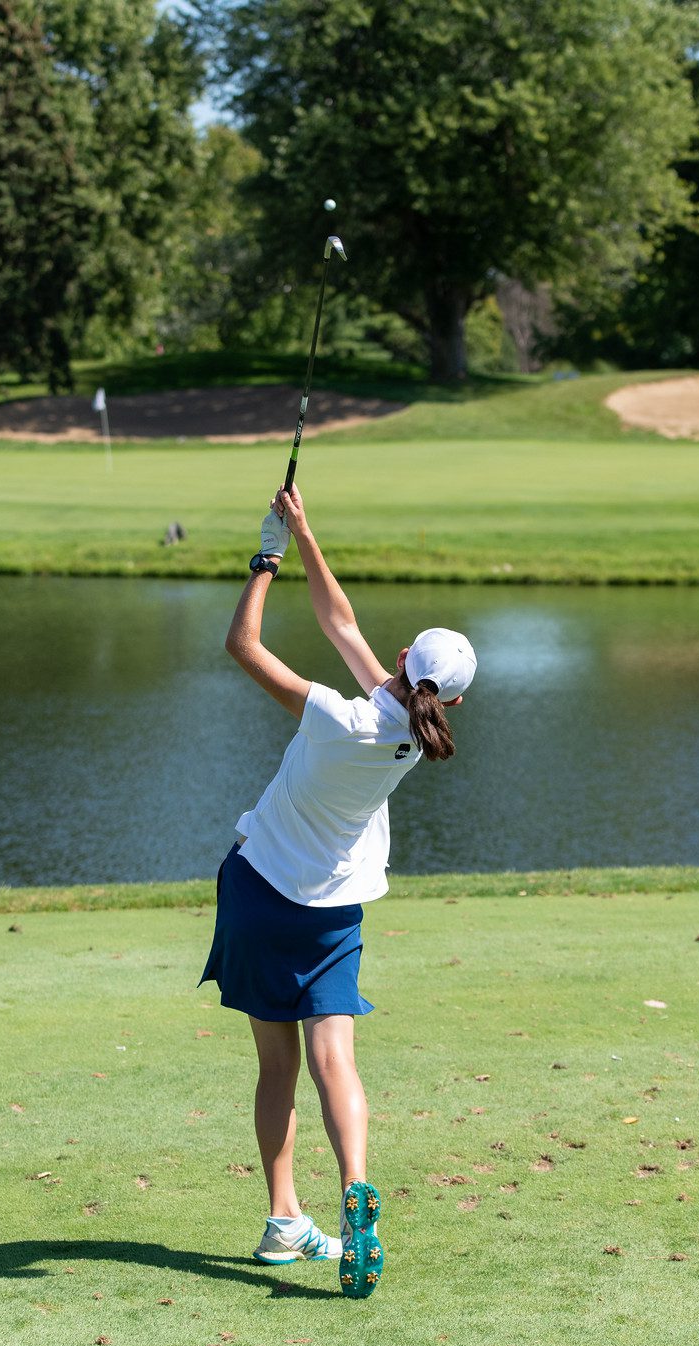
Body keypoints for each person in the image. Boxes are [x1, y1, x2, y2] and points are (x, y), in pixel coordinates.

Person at [204, 485, 477, 1301]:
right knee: (335, 1060)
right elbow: (340, 623)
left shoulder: (337, 716)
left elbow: (243, 645)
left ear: (402, 662)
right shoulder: (409, 732)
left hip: (259, 893)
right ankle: (352, 1186)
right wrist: (306, 533)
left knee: (275, 1070)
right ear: (451, 697)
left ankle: (285, 1214)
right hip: (332, 913)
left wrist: (266, 558)